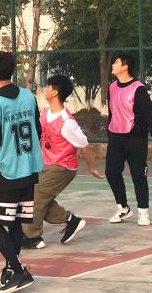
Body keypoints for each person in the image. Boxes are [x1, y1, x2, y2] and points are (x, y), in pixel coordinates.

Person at [0, 51, 42, 293]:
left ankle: (18, 270)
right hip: (28, 167)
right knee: (15, 221)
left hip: (5, 171)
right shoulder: (29, 96)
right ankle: (11, 267)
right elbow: (37, 129)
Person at [23, 74, 103, 249]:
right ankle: (71, 220)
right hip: (46, 163)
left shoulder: (67, 123)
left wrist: (92, 168)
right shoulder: (45, 112)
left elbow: (85, 146)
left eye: (49, 86)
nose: (46, 89)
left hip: (63, 167)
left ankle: (32, 237)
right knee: (40, 197)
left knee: (36, 196)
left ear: (55, 92)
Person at [105, 52, 152, 226]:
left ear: (125, 67)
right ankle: (123, 208)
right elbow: (112, 113)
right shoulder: (111, 87)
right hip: (115, 138)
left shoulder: (138, 89)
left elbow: (150, 115)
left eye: (116, 62)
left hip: (135, 139)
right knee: (111, 172)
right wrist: (109, 132)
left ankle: (143, 212)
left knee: (138, 175)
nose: (113, 65)